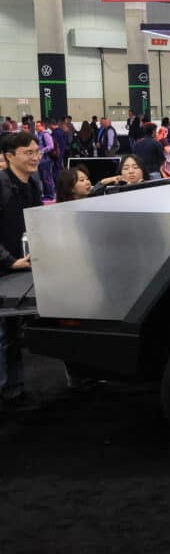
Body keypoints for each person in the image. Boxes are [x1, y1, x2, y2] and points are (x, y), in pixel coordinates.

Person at [0, 132, 42, 412]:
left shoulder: (32, 186)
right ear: (9, 156)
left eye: (37, 151)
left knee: (13, 335)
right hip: (6, 268)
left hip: (22, 268)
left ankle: (14, 391)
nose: (35, 157)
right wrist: (7, 260)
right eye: (28, 152)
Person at [35, 120, 56, 201]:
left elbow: (51, 146)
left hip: (46, 160)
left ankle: (50, 194)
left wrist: (41, 151)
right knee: (43, 178)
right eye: (36, 126)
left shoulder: (45, 134)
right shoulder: (38, 135)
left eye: (38, 126)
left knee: (47, 178)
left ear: (42, 126)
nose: (36, 127)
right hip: (41, 160)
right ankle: (46, 194)